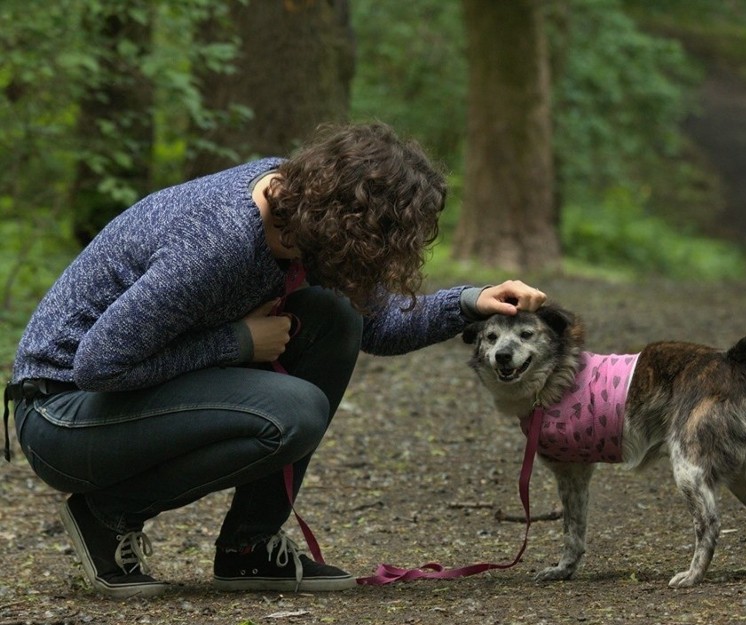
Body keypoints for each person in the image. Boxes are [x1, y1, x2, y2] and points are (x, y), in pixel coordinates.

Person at [4, 122, 547, 599]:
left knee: (335, 314)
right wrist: (238, 342)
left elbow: (379, 325)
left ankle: (250, 547)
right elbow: (99, 364)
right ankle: (103, 515)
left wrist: (470, 301)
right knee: (293, 411)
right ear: (353, 222)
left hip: (112, 397)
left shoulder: (300, 214)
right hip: (62, 417)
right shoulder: (218, 243)